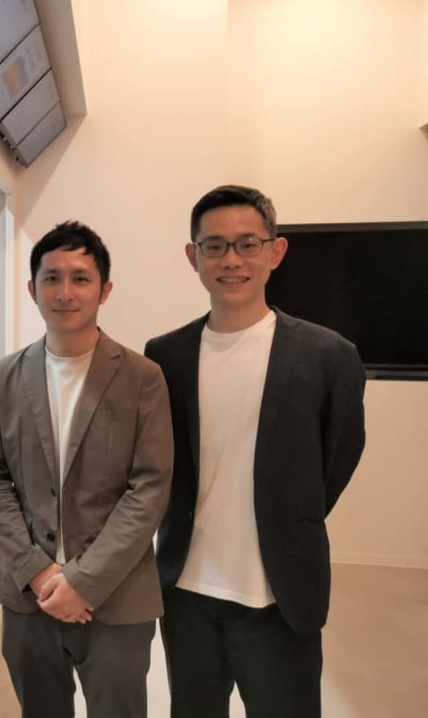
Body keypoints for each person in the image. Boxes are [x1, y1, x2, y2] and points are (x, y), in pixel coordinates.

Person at [144, 185, 366, 718]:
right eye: (214, 246)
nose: (231, 260)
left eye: (248, 244)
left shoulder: (329, 356)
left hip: (278, 595)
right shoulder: (164, 356)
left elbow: (338, 457)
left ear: (276, 251)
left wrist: (289, 514)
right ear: (193, 256)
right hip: (186, 592)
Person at [0, 221, 173, 718]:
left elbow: (149, 487)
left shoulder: (143, 378)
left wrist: (83, 580)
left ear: (105, 289)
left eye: (80, 278)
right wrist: (37, 571)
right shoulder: (4, 377)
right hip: (29, 597)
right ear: (32, 289)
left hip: (116, 596)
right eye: (52, 278)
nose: (65, 292)